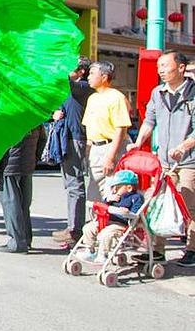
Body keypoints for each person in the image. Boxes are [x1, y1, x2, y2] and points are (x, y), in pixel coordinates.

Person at [128, 51, 195, 267]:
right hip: (164, 162)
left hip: (190, 162)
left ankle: (192, 249)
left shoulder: (193, 94)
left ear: (181, 68)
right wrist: (138, 142)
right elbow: (149, 121)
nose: (160, 71)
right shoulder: (158, 93)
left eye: (165, 66)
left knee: (189, 205)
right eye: (159, 67)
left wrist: (183, 147)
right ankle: (156, 250)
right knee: (156, 202)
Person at [51, 57, 94, 247]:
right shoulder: (72, 89)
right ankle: (72, 225)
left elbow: (65, 80)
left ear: (81, 71)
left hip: (76, 138)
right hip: (66, 137)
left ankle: (75, 229)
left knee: (75, 184)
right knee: (70, 184)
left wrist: (60, 61)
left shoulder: (83, 87)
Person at [0, 125, 45, 254]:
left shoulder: (8, 118)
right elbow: (42, 139)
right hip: (27, 165)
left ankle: (17, 242)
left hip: (9, 167)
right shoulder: (34, 118)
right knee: (24, 205)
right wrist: (34, 158)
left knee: (11, 205)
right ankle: (26, 239)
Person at [81, 61, 131, 201]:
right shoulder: (92, 98)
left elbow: (121, 128)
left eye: (92, 73)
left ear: (104, 77)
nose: (88, 77)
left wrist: (110, 157)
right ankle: (96, 215)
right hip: (95, 149)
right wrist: (87, 151)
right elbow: (89, 128)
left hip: (112, 147)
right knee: (94, 193)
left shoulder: (116, 97)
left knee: (113, 191)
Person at [76, 170, 144, 264]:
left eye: (117, 187)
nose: (114, 190)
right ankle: (89, 250)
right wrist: (108, 200)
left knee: (106, 234)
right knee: (88, 228)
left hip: (120, 224)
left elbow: (136, 214)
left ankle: (103, 254)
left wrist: (127, 212)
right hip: (106, 220)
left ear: (129, 188)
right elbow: (104, 206)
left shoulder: (136, 198)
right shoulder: (114, 197)